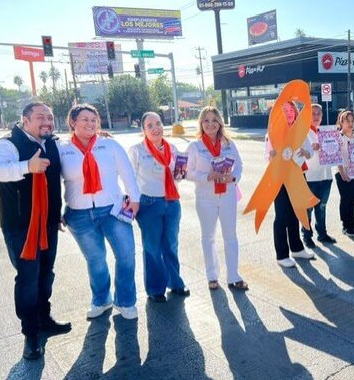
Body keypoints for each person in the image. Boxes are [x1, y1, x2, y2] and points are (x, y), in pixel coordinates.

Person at [0, 102, 71, 360]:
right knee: (28, 278)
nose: (47, 121)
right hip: (21, 226)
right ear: (25, 120)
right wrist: (25, 167)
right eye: (40, 117)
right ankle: (30, 334)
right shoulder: (8, 144)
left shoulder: (51, 142)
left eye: (50, 117)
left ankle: (44, 319)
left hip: (48, 223)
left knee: (46, 273)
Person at [58, 104, 141, 320]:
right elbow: (52, 184)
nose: (90, 123)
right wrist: (54, 212)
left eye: (94, 119)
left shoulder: (109, 145)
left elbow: (127, 173)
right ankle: (101, 300)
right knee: (95, 260)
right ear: (72, 122)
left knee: (125, 255)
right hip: (79, 215)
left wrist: (135, 198)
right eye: (84, 119)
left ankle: (125, 301)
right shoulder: (62, 150)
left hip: (113, 210)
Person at [128, 112, 189, 302]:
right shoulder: (137, 150)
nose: (156, 128)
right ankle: (155, 289)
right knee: (152, 247)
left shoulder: (172, 148)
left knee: (171, 244)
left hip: (171, 203)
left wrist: (180, 174)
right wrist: (132, 202)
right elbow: (130, 179)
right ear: (144, 130)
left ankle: (175, 282)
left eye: (159, 123)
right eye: (150, 126)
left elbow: (177, 175)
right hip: (148, 204)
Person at [186, 106, 248, 290]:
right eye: (206, 120)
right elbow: (186, 172)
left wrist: (234, 177)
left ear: (220, 122)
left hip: (227, 194)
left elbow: (239, 165)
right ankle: (212, 276)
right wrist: (207, 176)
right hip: (205, 198)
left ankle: (233, 276)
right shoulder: (195, 146)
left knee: (231, 236)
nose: (210, 124)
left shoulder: (228, 143)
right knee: (208, 237)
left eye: (214, 120)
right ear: (201, 123)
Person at [267, 101, 315, 268]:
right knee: (281, 216)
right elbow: (268, 155)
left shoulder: (302, 131)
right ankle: (281, 254)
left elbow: (310, 153)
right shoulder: (273, 132)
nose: (288, 112)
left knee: (296, 213)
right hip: (280, 179)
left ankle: (297, 248)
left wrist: (305, 152)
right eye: (284, 110)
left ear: (296, 112)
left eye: (291, 109)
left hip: (298, 176)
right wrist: (273, 154)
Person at [301, 104, 337, 248]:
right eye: (313, 114)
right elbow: (299, 152)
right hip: (310, 176)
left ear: (322, 116)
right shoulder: (302, 133)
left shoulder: (327, 132)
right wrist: (311, 148)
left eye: (318, 114)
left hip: (326, 175)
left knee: (322, 207)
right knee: (308, 209)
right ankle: (307, 236)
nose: (315, 116)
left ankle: (322, 234)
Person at [334, 110, 354, 236]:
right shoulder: (339, 137)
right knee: (346, 199)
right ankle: (346, 226)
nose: (350, 123)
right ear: (341, 122)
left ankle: (353, 224)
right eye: (347, 121)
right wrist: (342, 173)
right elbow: (337, 157)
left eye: (352, 121)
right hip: (343, 173)